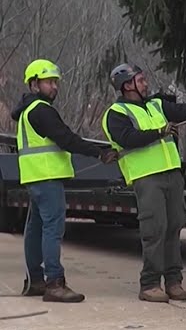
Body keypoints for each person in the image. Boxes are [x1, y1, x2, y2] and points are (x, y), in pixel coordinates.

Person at [101, 63, 186, 303]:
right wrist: (159, 132)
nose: (146, 84)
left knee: (174, 225)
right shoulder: (115, 114)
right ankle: (150, 284)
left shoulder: (156, 105)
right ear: (128, 85)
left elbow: (179, 110)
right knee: (154, 229)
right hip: (146, 177)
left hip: (172, 174)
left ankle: (174, 281)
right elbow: (128, 139)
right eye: (141, 80)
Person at [11, 59, 119, 302]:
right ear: (34, 84)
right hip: (47, 177)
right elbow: (66, 138)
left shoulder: (27, 112)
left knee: (35, 229)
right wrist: (99, 152)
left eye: (56, 82)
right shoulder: (41, 110)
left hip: (35, 177)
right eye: (49, 82)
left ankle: (36, 281)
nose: (54, 87)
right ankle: (54, 283)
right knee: (53, 228)